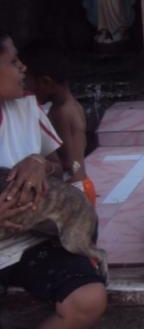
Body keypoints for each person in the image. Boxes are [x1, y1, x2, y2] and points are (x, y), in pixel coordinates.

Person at [0, 32, 107, 329]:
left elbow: (57, 164)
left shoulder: (26, 108)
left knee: (89, 297)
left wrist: (36, 164)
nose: (22, 67)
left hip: (30, 241)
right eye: (13, 62)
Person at [21, 38, 96, 205]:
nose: (26, 87)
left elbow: (70, 163)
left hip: (76, 187)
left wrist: (45, 167)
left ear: (45, 82)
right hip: (84, 182)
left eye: (28, 81)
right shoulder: (73, 105)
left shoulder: (60, 112)